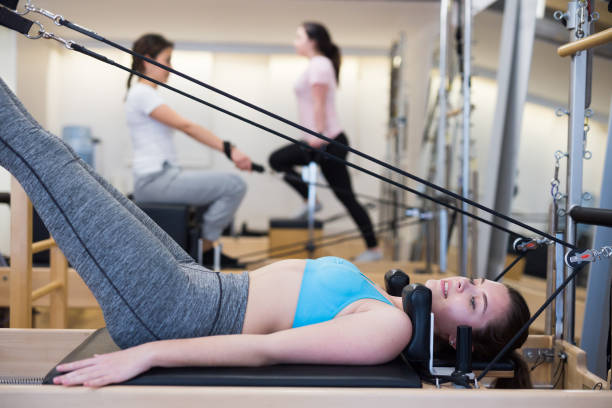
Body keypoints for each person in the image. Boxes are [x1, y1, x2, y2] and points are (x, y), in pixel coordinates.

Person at [0, 78, 531, 389]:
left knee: (38, 154)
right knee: (57, 155)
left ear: (458, 343)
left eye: (477, 302)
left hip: (177, 310)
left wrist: (150, 353)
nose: (464, 284)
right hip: (197, 282)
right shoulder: (388, 306)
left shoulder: (388, 331)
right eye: (476, 280)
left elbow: (266, 350)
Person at [125, 33, 252, 268]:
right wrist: (231, 150)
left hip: (161, 178)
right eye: (167, 59)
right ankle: (204, 250)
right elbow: (187, 127)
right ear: (147, 59)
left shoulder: (145, 94)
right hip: (154, 181)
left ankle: (203, 249)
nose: (170, 68)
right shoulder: (142, 93)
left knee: (218, 193)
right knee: (234, 185)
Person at [268, 22, 382, 262]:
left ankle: (373, 249)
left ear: (313, 41)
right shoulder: (316, 65)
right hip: (319, 140)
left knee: (346, 196)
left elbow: (319, 103)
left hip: (328, 141)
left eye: (299, 37)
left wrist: (318, 137)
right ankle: (312, 199)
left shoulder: (319, 64)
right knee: (278, 161)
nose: (295, 42)